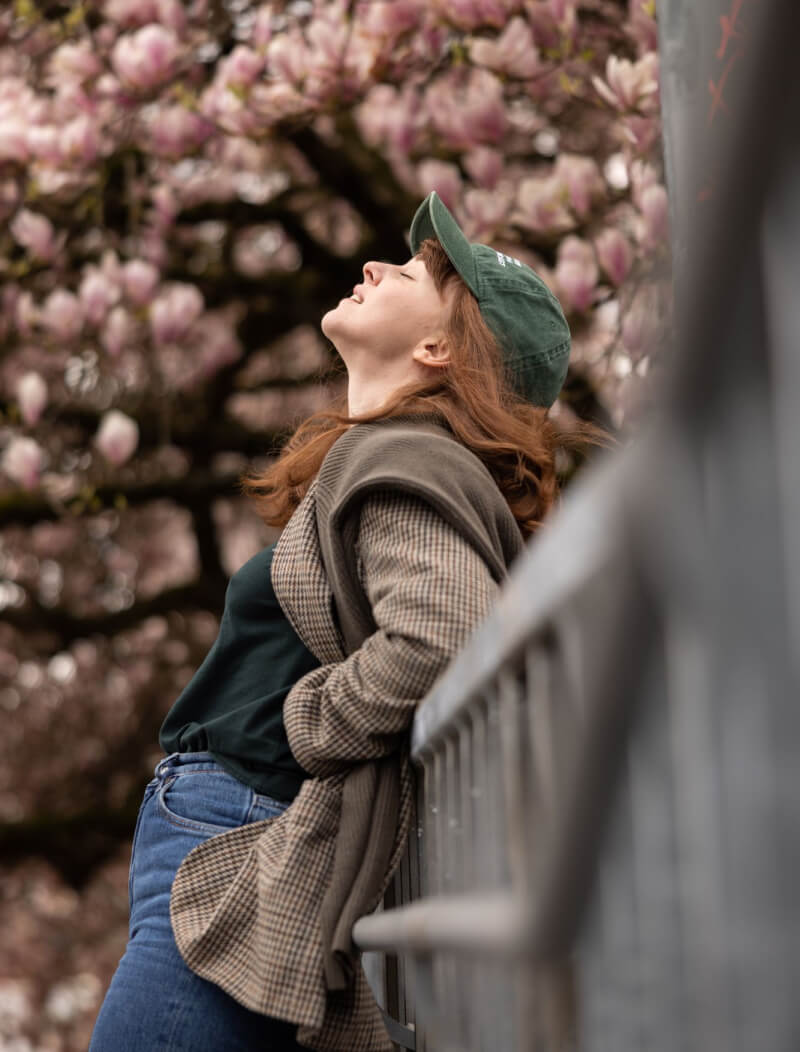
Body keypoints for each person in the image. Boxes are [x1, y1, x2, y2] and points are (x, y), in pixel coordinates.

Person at [89, 191, 572, 1051]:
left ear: (438, 348)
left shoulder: (402, 457)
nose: (374, 265)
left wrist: (310, 717)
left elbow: (445, 629)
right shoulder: (395, 457)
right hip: (237, 830)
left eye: (418, 271)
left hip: (242, 830)